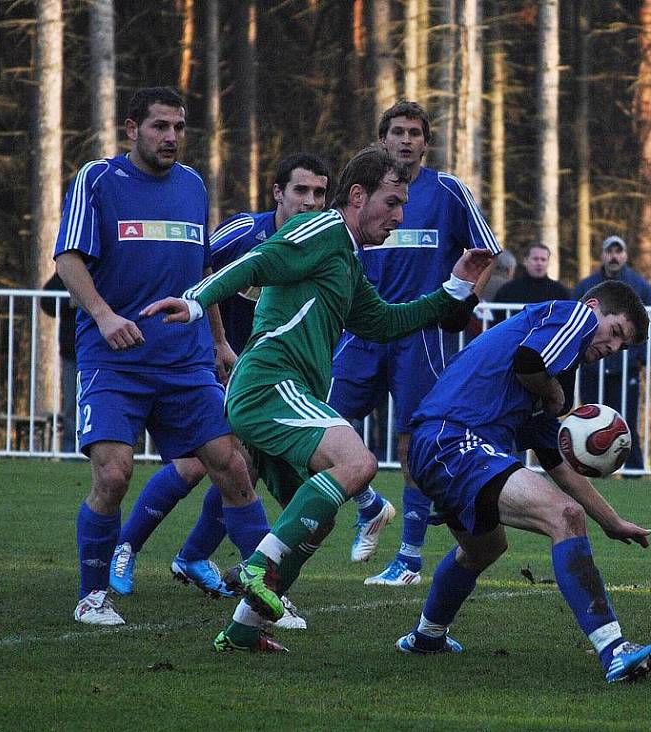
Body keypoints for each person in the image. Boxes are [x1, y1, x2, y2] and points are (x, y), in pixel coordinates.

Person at [141, 144, 493, 652]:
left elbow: (381, 322)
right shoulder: (324, 229)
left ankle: (243, 629)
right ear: (357, 195)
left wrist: (453, 291)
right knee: (360, 462)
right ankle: (255, 565)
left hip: (286, 390)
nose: (399, 216)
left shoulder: (347, 258)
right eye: (392, 203)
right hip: (269, 382)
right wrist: (196, 304)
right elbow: (257, 260)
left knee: (320, 519)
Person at [54, 87, 267, 631]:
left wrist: (219, 342)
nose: (171, 136)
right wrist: (103, 315)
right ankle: (92, 596)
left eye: (178, 126)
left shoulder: (193, 186)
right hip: (114, 360)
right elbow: (67, 258)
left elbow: (201, 277)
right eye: (159, 126)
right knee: (114, 475)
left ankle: (266, 592)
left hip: (184, 363)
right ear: (132, 128)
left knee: (233, 467)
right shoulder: (97, 180)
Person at [395, 280, 651, 683]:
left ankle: (427, 636)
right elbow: (528, 362)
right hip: (454, 438)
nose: (612, 348)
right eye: (615, 333)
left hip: (443, 445)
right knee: (564, 516)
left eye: (622, 347)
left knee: (484, 548)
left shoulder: (563, 368)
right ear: (594, 307)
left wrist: (611, 521)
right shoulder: (573, 315)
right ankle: (615, 650)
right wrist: (553, 395)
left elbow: (556, 461)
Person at [108, 153, 330, 632]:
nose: (310, 202)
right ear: (277, 193)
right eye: (301, 192)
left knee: (238, 465)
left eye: (318, 194)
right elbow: (199, 269)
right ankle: (127, 546)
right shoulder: (244, 233)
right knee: (199, 462)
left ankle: (192, 556)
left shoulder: (319, 245)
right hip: (216, 361)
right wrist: (218, 344)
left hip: (262, 372)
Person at [328, 100, 501, 587]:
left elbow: (486, 252)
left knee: (413, 443)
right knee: (322, 425)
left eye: (415, 133)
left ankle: (408, 558)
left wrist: (462, 303)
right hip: (359, 330)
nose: (406, 140)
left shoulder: (449, 191)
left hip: (419, 334)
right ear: (382, 139)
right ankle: (368, 506)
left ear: (427, 141)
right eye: (397, 132)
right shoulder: (358, 192)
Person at [573, 235, 651, 469]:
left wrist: (642, 357)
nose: (614, 256)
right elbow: (573, 317)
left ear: (625, 256)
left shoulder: (641, 286)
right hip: (592, 368)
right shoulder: (587, 285)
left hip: (626, 368)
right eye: (609, 251)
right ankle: (591, 467)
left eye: (618, 251)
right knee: (590, 421)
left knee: (627, 422)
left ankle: (634, 473)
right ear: (602, 255)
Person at [41, 273, 78, 453]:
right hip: (73, 350)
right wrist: (70, 302)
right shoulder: (68, 269)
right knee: (71, 404)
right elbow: (47, 301)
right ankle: (71, 450)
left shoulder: (108, 266)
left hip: (105, 351)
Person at [492, 243, 569, 323]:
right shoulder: (507, 290)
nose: (539, 263)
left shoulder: (560, 292)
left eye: (543, 259)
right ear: (525, 261)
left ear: (548, 262)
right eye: (535, 259)